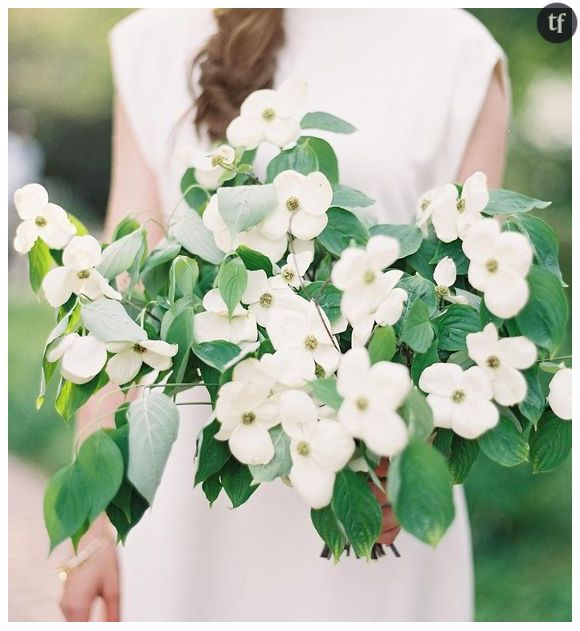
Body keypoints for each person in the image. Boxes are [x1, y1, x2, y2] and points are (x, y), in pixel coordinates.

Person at [59, 8, 508, 622]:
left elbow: (477, 302)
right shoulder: (156, 39)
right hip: (195, 504)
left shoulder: (458, 49)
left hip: (375, 488)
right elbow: (119, 296)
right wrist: (93, 526)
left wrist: (417, 458)